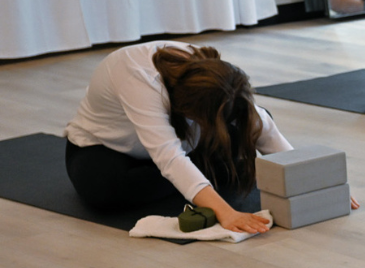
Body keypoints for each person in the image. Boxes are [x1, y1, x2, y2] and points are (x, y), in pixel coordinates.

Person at [63, 42, 348, 234]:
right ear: (188, 109)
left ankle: (197, 178)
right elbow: (169, 156)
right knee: (104, 191)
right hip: (109, 152)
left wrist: (318, 187)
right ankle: (202, 177)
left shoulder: (213, 74)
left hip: (184, 150)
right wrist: (226, 212)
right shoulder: (139, 78)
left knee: (246, 126)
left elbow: (261, 125)